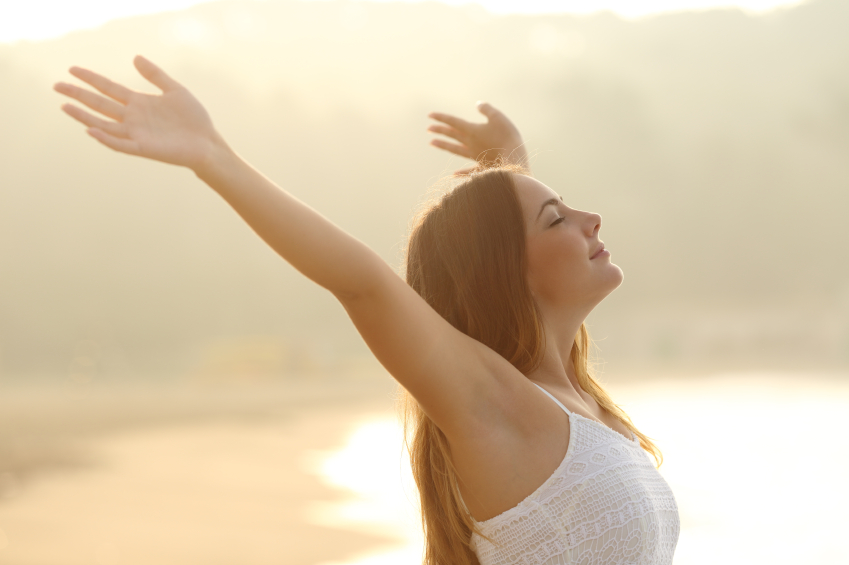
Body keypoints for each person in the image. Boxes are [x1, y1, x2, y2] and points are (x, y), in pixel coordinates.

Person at [54, 56, 679, 565]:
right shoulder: (497, 406)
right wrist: (214, 156)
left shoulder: (572, 403)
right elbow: (364, 285)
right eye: (558, 218)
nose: (591, 218)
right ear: (505, 271)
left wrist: (509, 164)